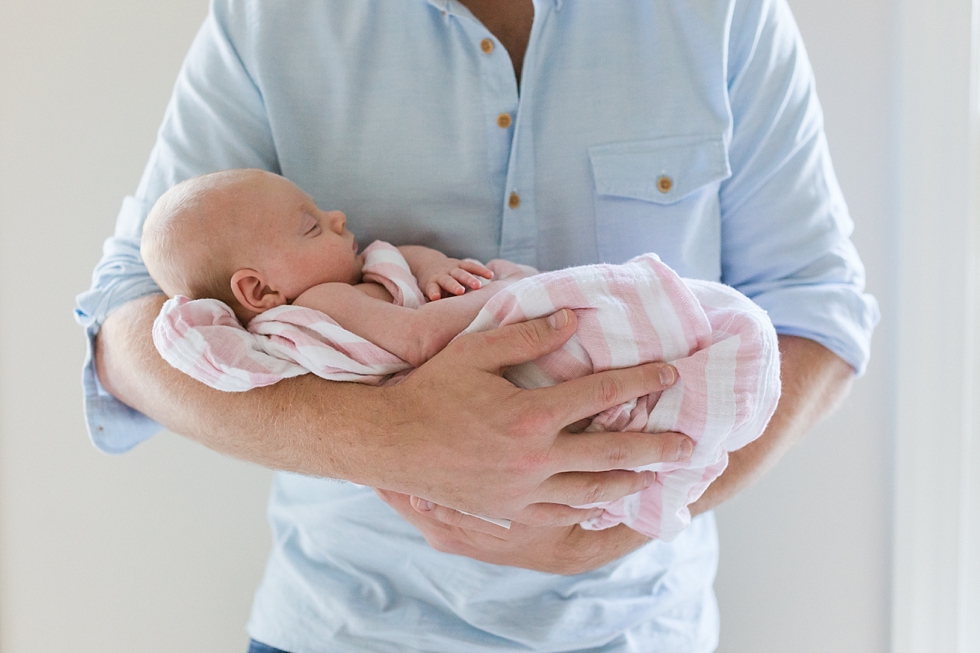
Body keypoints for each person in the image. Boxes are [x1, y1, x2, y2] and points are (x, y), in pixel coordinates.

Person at [75, 1, 879, 651]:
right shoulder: (273, 18)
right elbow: (127, 325)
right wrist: (392, 438)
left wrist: (617, 524)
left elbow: (817, 307)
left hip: (637, 625)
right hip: (346, 626)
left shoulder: (725, 14)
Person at [141, 168, 532, 367]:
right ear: (261, 291)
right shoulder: (322, 303)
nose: (338, 217)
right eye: (312, 226)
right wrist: (512, 290)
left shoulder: (356, 272)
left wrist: (433, 266)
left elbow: (399, 257)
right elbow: (419, 339)